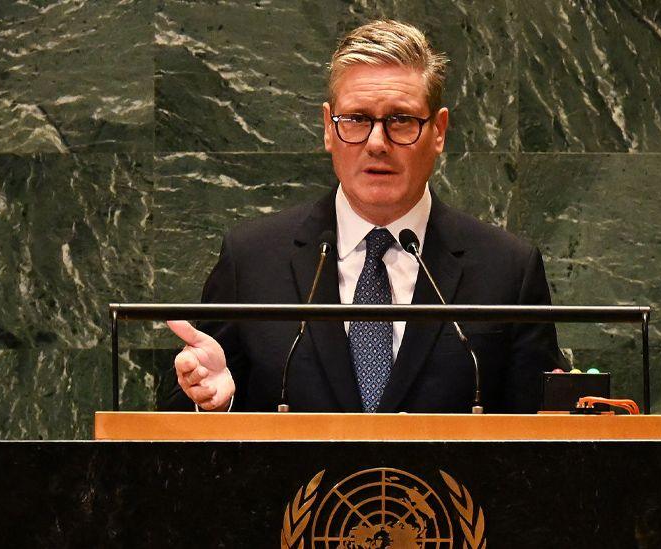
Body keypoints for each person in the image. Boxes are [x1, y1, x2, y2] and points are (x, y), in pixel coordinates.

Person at [160, 20, 561, 414]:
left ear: (438, 131)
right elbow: (172, 430)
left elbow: (549, 441)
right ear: (328, 129)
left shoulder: (507, 269)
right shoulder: (251, 260)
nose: (376, 143)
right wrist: (216, 403)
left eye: (400, 120)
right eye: (356, 119)